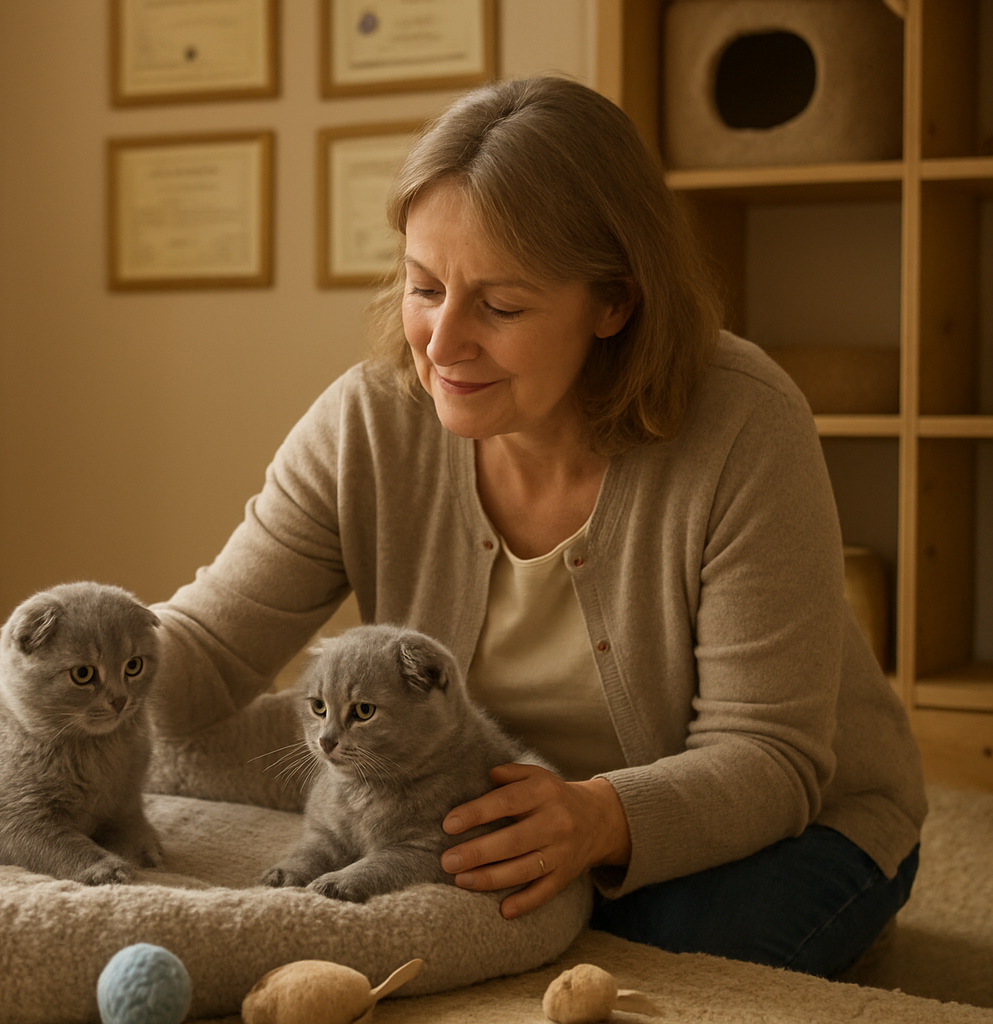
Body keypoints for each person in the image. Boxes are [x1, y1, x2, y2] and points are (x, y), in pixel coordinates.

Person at [150, 75, 925, 978]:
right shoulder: (367, 420)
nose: (441, 345)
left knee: (631, 955)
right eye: (424, 286)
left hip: (793, 813)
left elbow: (769, 756)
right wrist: (42, 689)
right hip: (477, 804)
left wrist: (597, 819)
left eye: (501, 306)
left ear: (614, 304)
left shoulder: (746, 424)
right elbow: (206, 646)